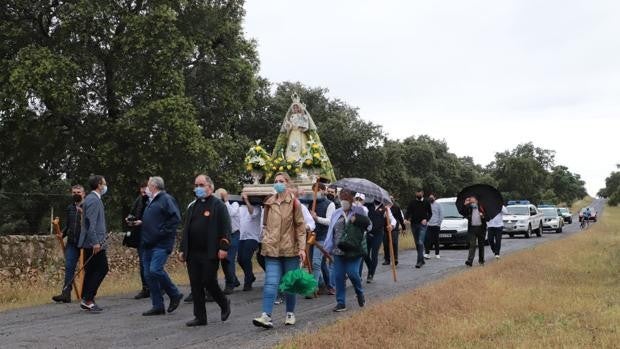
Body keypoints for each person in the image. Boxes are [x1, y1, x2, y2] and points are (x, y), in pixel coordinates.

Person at [252, 172, 306, 329]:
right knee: (271, 282)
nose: (278, 183)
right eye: (275, 181)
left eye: (281, 181)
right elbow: (265, 225)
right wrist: (266, 240)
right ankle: (266, 316)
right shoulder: (269, 202)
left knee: (289, 284)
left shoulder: (295, 203)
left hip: (290, 250)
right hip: (272, 250)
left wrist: (302, 248)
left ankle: (290, 313)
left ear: (288, 184)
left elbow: (300, 227)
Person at [178, 175, 232, 327]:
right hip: (193, 253)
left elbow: (226, 228)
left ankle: (223, 302)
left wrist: (224, 247)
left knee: (208, 281)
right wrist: (182, 249)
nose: (198, 188)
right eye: (196, 185)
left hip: (210, 251)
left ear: (210, 187)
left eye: (201, 185)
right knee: (195, 284)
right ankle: (200, 317)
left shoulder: (218, 205)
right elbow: (186, 229)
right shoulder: (192, 206)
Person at [140, 176, 184, 316]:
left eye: (148, 185)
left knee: (155, 270)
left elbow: (175, 218)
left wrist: (162, 232)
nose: (146, 188)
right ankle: (157, 305)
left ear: (154, 186)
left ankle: (174, 293)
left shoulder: (166, 199)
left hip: (161, 243)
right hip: (148, 243)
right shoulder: (151, 201)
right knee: (148, 275)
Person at [324, 200, 369, 312]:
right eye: (342, 197)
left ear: (351, 198)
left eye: (346, 197)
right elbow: (331, 230)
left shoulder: (359, 210)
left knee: (353, 273)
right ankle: (341, 302)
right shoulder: (336, 213)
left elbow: (369, 225)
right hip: (338, 249)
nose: (344, 200)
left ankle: (359, 292)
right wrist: (327, 247)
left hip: (354, 249)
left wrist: (357, 219)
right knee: (338, 276)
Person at [77, 175, 109, 312]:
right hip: (94, 242)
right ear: (99, 185)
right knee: (102, 268)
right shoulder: (94, 200)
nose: (105, 186)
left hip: (91, 241)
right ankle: (88, 299)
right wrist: (96, 242)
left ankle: (86, 298)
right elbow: (91, 224)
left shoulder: (91, 199)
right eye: (104, 183)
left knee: (91, 271)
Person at [52, 185, 85, 303]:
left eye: (78, 192)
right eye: (74, 192)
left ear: (83, 194)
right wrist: (63, 234)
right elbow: (68, 224)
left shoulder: (88, 206)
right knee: (69, 266)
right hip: (72, 242)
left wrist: (83, 213)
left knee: (88, 268)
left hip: (85, 242)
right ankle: (66, 293)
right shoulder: (69, 208)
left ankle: (88, 294)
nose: (76, 194)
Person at [123, 181, 150, 299]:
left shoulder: (153, 201)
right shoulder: (138, 200)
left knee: (152, 264)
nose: (144, 191)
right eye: (142, 189)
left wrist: (143, 222)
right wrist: (130, 219)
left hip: (151, 235)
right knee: (143, 263)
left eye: (146, 189)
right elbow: (133, 212)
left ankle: (159, 286)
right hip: (140, 236)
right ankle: (146, 288)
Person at [309, 183, 336, 295]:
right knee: (319, 263)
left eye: (319, 190)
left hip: (323, 237)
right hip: (311, 236)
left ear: (324, 190)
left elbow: (330, 221)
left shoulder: (330, 204)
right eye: (315, 190)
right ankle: (327, 284)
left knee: (316, 262)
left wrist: (316, 218)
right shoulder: (310, 203)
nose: (317, 192)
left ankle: (312, 289)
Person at [361, 197, 395, 283]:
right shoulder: (367, 206)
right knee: (365, 253)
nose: (377, 199)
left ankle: (371, 274)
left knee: (374, 254)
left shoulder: (385, 208)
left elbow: (393, 220)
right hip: (367, 233)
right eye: (376, 197)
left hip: (378, 234)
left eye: (379, 197)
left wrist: (391, 225)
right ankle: (371, 267)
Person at [215, 188, 241, 294]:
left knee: (229, 259)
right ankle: (233, 280)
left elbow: (230, 213)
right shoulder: (217, 206)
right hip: (222, 236)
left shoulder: (234, 204)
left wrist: (226, 200)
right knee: (224, 260)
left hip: (234, 234)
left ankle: (230, 284)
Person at [238, 193, 262, 291]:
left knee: (246, 258)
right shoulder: (240, 207)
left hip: (253, 237)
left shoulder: (257, 207)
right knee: (240, 259)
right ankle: (251, 276)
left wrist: (247, 201)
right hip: (242, 236)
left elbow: (252, 213)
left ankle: (248, 282)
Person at [406, 189, 432, 268]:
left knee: (420, 242)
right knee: (417, 243)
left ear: (422, 193)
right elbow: (408, 212)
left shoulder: (426, 202)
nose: (418, 194)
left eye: (420, 192)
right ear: (415, 193)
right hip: (414, 225)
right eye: (417, 192)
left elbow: (430, 213)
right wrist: (406, 218)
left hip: (422, 225)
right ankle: (422, 260)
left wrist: (426, 219)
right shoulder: (412, 202)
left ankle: (419, 262)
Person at [383, 195, 406, 266]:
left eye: (392, 199)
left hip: (394, 228)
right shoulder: (384, 208)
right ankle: (387, 259)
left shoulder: (396, 207)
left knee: (394, 243)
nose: (391, 200)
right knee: (386, 244)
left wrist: (403, 227)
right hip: (385, 228)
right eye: (389, 199)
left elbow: (400, 218)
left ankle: (395, 259)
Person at [464, 196, 486, 266]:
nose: (470, 199)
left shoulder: (482, 206)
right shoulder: (469, 207)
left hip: (481, 228)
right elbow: (463, 212)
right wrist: (465, 204)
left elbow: (487, 217)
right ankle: (469, 261)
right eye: (470, 199)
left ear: (476, 200)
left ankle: (481, 260)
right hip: (472, 229)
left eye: (472, 198)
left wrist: (483, 216)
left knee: (481, 245)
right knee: (472, 245)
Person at [424, 193, 444, 259]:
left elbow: (441, 215)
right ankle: (427, 253)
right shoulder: (427, 205)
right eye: (430, 197)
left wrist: (439, 224)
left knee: (436, 240)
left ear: (435, 198)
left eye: (432, 197)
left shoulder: (438, 205)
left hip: (436, 225)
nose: (431, 199)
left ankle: (437, 254)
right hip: (429, 225)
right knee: (428, 240)